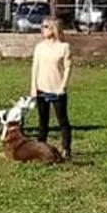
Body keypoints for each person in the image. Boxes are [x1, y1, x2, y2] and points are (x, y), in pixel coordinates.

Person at [30, 17, 73, 160]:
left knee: (62, 121)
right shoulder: (39, 47)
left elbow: (67, 68)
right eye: (42, 26)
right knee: (43, 121)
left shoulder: (64, 47)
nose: (43, 29)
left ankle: (66, 149)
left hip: (57, 89)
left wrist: (63, 86)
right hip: (42, 88)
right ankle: (40, 148)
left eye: (46, 26)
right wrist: (33, 87)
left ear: (54, 29)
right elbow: (35, 67)